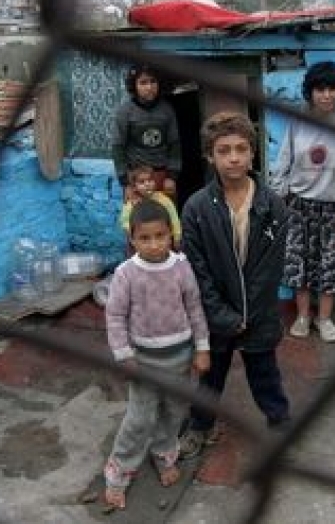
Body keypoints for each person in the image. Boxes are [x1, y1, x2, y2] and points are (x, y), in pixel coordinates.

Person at [178, 111, 291, 459]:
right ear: (209, 156)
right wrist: (222, 315)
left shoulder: (272, 206)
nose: (234, 158)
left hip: (258, 313)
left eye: (241, 148)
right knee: (210, 376)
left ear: (253, 153)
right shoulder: (196, 208)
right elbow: (197, 271)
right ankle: (200, 425)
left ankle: (280, 422)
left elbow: (270, 271)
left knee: (265, 374)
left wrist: (247, 316)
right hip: (216, 314)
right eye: (223, 150)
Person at [103, 199, 211, 510]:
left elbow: (194, 308)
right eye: (144, 238)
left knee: (174, 413)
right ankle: (120, 471)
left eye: (160, 236)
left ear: (171, 234)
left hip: (180, 360)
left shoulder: (181, 267)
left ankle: (164, 454)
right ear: (132, 239)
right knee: (139, 419)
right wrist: (124, 356)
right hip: (143, 363)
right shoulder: (126, 273)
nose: (153, 244)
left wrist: (202, 348)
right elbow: (115, 317)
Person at [269, 61, 335, 343]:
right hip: (299, 205)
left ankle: (325, 319)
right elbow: (284, 159)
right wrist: (278, 193)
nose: (326, 95)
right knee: (300, 263)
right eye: (320, 89)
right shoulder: (297, 121)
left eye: (332, 89)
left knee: (332, 263)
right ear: (311, 92)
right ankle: (303, 316)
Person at [112, 64, 182, 200]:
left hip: (162, 175)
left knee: (165, 210)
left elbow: (174, 144)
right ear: (134, 86)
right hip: (137, 177)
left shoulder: (167, 110)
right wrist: (126, 183)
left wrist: (172, 177)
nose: (149, 87)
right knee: (138, 212)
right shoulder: (125, 112)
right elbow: (118, 147)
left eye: (153, 81)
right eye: (143, 83)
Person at [118, 164, 182, 251]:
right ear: (134, 187)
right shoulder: (131, 204)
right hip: (141, 245)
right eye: (142, 182)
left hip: (163, 243)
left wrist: (177, 237)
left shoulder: (163, 200)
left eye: (150, 180)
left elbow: (174, 219)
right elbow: (125, 223)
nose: (147, 184)